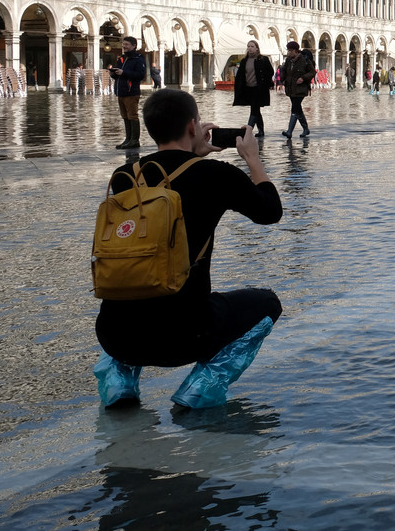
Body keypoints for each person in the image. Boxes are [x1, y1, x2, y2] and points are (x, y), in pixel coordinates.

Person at [93, 88, 283, 410]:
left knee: (134, 292)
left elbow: (173, 177)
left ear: (150, 129)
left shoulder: (123, 176)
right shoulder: (215, 175)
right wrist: (252, 158)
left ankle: (118, 381)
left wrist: (193, 157)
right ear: (193, 127)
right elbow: (270, 211)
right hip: (184, 336)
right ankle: (199, 389)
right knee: (267, 305)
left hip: (115, 335)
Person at [108, 37, 147, 149]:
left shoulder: (138, 59)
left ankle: (134, 140)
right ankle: (128, 139)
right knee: (125, 116)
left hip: (131, 92)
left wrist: (123, 72)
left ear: (134, 46)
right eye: (123, 44)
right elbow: (119, 74)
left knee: (132, 115)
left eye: (127, 44)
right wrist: (113, 74)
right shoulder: (122, 58)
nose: (124, 46)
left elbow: (140, 75)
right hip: (121, 92)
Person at [232, 40, 273, 137]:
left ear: (257, 48)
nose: (250, 48)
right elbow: (241, 75)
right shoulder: (244, 61)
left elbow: (270, 71)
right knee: (256, 110)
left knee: (254, 109)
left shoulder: (263, 59)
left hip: (258, 89)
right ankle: (261, 131)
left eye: (252, 46)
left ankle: (248, 130)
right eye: (248, 46)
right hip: (248, 88)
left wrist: (265, 83)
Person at [280, 41, 316, 139]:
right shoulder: (288, 60)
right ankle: (306, 129)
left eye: (290, 50)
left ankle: (289, 131)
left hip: (301, 89)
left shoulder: (304, 60)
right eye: (288, 50)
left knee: (295, 108)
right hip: (291, 88)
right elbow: (286, 73)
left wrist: (303, 78)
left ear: (295, 51)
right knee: (298, 109)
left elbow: (312, 72)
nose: (289, 52)